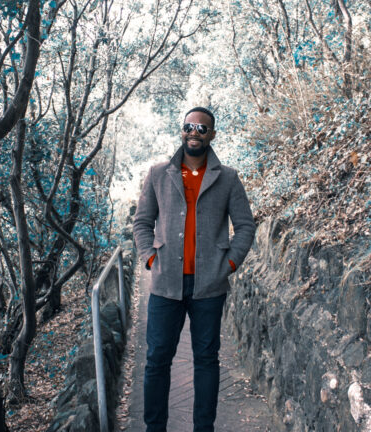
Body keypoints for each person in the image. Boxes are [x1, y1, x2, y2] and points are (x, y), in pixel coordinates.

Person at [133, 107, 256, 432]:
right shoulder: (159, 173)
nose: (195, 132)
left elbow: (245, 225)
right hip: (165, 285)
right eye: (189, 126)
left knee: (206, 360)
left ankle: (204, 428)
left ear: (212, 135)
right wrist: (149, 258)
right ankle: (154, 427)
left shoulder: (227, 178)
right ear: (182, 130)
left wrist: (229, 263)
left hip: (208, 286)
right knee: (157, 359)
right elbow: (142, 223)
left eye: (202, 129)